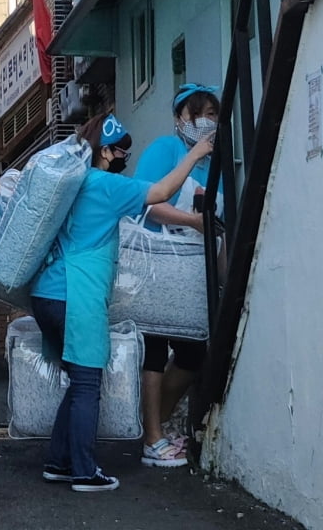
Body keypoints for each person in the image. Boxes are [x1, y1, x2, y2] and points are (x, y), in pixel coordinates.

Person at [30, 112, 214, 493]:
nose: (122, 158)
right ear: (105, 152)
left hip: (47, 292)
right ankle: (83, 470)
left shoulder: (75, 181)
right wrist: (194, 155)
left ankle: (59, 461)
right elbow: (160, 194)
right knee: (86, 382)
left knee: (76, 381)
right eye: (119, 151)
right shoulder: (104, 185)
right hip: (76, 293)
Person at [134, 83, 222, 468]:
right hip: (156, 264)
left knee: (191, 352)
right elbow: (148, 204)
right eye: (197, 113)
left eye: (212, 114)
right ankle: (152, 438)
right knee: (154, 348)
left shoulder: (212, 163)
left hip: (190, 272)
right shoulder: (165, 150)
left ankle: (154, 425)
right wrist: (193, 220)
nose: (205, 121)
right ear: (179, 119)